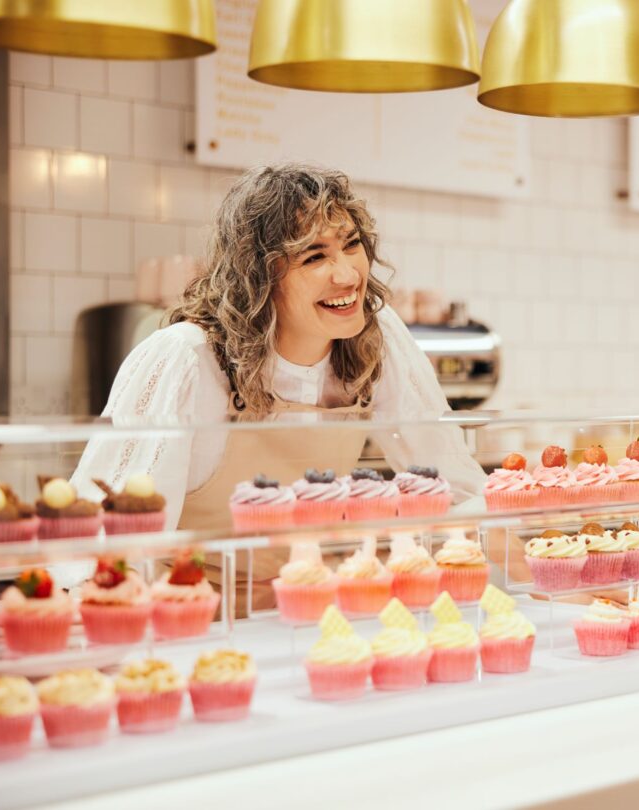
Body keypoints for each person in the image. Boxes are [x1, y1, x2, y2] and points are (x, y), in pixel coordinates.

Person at [71, 163, 485, 604]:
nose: (347, 275)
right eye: (314, 256)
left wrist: (551, 583)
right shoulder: (187, 359)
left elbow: (456, 489)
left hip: (310, 609)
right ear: (258, 278)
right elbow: (115, 545)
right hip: (192, 618)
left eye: (351, 245)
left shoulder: (376, 337)